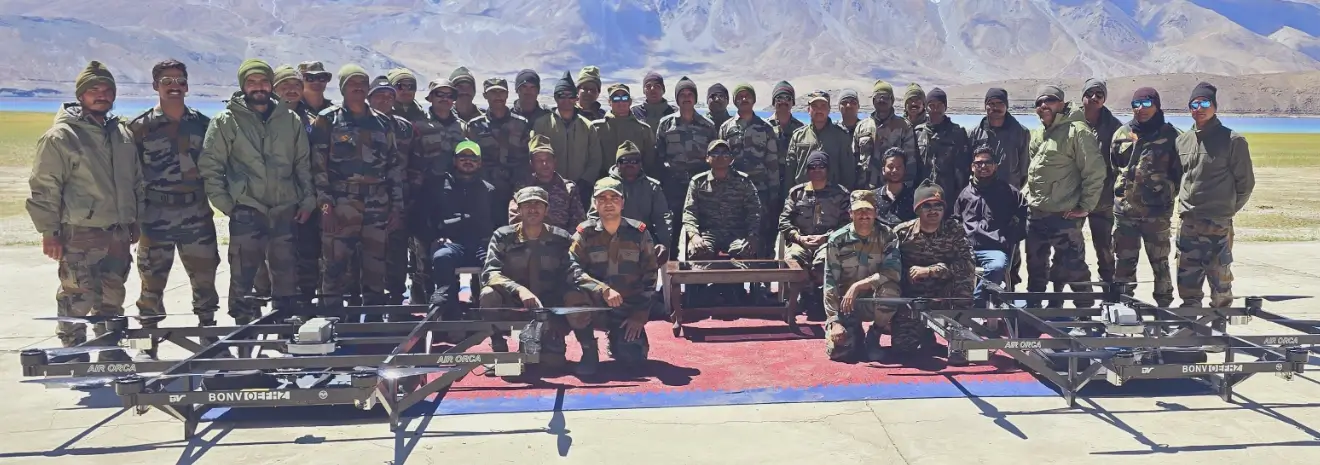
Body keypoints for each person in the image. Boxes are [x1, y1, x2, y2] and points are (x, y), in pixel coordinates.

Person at [27, 61, 143, 360]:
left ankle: (109, 350)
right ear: (81, 95)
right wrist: (49, 232)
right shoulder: (61, 136)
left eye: (107, 89)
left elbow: (136, 181)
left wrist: (134, 219)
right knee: (77, 295)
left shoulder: (122, 133)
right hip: (80, 233)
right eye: (94, 90)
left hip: (117, 232)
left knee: (112, 295)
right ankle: (73, 354)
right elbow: (44, 188)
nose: (101, 95)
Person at [199, 58, 314, 324]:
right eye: (251, 82)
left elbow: (302, 164)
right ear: (243, 86)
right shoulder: (226, 121)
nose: (258, 87)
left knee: (286, 275)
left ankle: (286, 331)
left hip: (284, 209)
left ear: (271, 85)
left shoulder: (289, 119)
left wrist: (307, 200)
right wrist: (228, 205)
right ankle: (243, 335)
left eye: (263, 81)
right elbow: (211, 166)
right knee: (243, 276)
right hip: (247, 211)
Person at [127, 59, 220, 331]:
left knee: (205, 277)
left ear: (187, 86)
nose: (174, 86)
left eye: (179, 80)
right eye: (167, 81)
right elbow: (130, 174)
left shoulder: (204, 125)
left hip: (197, 214)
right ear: (156, 86)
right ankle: (148, 338)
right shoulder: (140, 128)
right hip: (156, 217)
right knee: (151, 281)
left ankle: (209, 332)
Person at [311, 69, 406, 310]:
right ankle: (332, 321)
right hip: (341, 203)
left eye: (363, 83)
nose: (358, 87)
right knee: (335, 266)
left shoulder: (383, 122)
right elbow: (317, 166)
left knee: (375, 267)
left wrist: (396, 207)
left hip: (377, 204)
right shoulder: (328, 120)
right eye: (352, 83)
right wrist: (325, 205)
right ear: (342, 88)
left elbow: (394, 167)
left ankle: (372, 322)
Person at [480, 186, 595, 372]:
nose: (532, 209)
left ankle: (589, 352)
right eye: (527, 204)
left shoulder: (561, 238)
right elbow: (490, 273)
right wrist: (519, 289)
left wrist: (597, 288)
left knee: (552, 364)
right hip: (516, 305)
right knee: (488, 294)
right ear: (518, 209)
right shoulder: (503, 236)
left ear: (547, 209)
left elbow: (572, 272)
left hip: (549, 307)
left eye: (538, 204)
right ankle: (499, 350)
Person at [1024, 85, 1105, 309]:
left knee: (1073, 268)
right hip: (1037, 213)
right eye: (1039, 103)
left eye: (1049, 101)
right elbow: (1035, 170)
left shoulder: (1077, 131)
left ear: (1061, 103)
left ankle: (1086, 313)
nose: (1043, 106)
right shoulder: (1039, 133)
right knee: (1036, 267)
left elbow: (1095, 171)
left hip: (1064, 215)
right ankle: (1034, 312)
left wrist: (1086, 206)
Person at [1175, 82, 1254, 308]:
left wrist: (1225, 210)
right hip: (1188, 222)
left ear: (1215, 107)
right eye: (1194, 104)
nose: (1199, 108)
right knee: (1187, 282)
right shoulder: (1183, 140)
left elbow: (1245, 184)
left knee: (1220, 283)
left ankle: (1219, 336)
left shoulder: (1232, 141)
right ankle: (1190, 331)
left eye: (1205, 103)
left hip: (1217, 224)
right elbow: (1180, 177)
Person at [567, 180, 661, 372]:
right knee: (572, 294)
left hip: (627, 308)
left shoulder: (639, 233)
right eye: (602, 198)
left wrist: (640, 314)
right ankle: (589, 350)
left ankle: (617, 339)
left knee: (633, 361)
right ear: (594, 203)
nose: (608, 203)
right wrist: (602, 289)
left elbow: (650, 275)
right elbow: (571, 268)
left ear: (623, 202)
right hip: (594, 305)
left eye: (614, 198)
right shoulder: (585, 233)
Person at [1111, 87, 1182, 307]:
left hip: (1157, 215)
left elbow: (1179, 174)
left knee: (1160, 264)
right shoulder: (1121, 134)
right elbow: (1115, 167)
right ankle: (1123, 309)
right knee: (1123, 263)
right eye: (1136, 105)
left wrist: (1163, 194)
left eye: (1146, 104)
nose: (1140, 109)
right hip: (1125, 214)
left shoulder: (1172, 136)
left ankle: (1164, 308)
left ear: (1157, 106)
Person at [892, 181, 977, 358]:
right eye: (927, 206)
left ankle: (958, 338)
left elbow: (968, 264)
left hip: (945, 294)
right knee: (903, 351)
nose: (933, 211)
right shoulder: (902, 233)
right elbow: (889, 266)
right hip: (913, 297)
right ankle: (923, 332)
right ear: (917, 210)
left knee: (965, 284)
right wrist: (905, 273)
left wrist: (933, 270)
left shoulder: (954, 231)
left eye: (938, 206)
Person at [820, 190, 902, 362]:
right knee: (839, 352)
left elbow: (892, 272)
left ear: (875, 213)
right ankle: (854, 332)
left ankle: (874, 336)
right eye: (858, 211)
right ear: (850, 214)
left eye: (868, 210)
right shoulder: (837, 240)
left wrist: (857, 286)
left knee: (891, 291)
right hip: (846, 305)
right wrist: (834, 321)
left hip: (873, 300)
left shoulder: (888, 236)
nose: (864, 215)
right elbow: (830, 281)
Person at [407, 78, 469, 302]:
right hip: (424, 195)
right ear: (430, 98)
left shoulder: (462, 127)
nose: (444, 99)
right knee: (421, 252)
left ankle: (448, 302)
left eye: (449, 95)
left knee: (448, 250)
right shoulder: (418, 125)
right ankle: (421, 301)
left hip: (453, 196)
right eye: (439, 94)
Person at [424, 141, 496, 324]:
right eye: (463, 157)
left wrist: (492, 241)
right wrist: (434, 238)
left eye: (473, 158)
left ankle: (491, 318)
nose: (468, 161)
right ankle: (450, 316)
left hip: (481, 244)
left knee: (495, 263)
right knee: (442, 257)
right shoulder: (439, 188)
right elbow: (424, 218)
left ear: (479, 163)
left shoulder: (489, 190)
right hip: (452, 244)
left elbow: (500, 221)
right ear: (455, 160)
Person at [779, 151, 851, 321]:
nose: (817, 170)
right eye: (813, 167)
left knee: (824, 261)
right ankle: (800, 298)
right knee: (794, 260)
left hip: (828, 241)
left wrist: (826, 238)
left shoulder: (840, 193)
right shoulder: (797, 193)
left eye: (821, 166)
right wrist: (798, 238)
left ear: (828, 169)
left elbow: (847, 224)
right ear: (807, 170)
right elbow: (784, 221)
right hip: (801, 240)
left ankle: (819, 298)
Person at [952, 147, 1028, 307]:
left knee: (997, 266)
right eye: (978, 163)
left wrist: (1010, 238)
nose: (983, 166)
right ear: (972, 167)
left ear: (995, 166)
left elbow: (1024, 217)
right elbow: (955, 220)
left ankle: (976, 304)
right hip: (966, 249)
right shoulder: (964, 194)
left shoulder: (1008, 192)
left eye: (988, 162)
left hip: (994, 250)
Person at [369, 75, 418, 305]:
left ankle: (397, 298)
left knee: (397, 252)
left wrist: (409, 198)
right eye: (378, 96)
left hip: (401, 201)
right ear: (369, 98)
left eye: (389, 96)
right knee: (369, 255)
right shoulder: (361, 124)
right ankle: (371, 303)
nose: (384, 100)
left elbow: (416, 164)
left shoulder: (405, 128)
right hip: (367, 202)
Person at [655, 76, 717, 251]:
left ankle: (695, 275)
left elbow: (714, 158)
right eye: (682, 94)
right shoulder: (666, 123)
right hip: (673, 186)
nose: (687, 97)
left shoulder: (707, 126)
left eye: (690, 93)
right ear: (677, 98)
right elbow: (658, 156)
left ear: (696, 98)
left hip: (700, 187)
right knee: (671, 233)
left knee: (698, 234)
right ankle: (671, 273)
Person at [719, 83, 779, 258]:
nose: (744, 99)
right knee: (735, 237)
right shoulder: (726, 128)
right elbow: (719, 161)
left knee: (760, 236)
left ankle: (760, 281)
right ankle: (734, 282)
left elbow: (772, 162)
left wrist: (773, 194)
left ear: (753, 99)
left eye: (747, 96)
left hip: (759, 191)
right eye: (740, 96)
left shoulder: (765, 128)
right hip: (733, 192)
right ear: (735, 101)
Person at [530, 71, 603, 208]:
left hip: (581, 189)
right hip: (549, 187)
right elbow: (535, 155)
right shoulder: (542, 124)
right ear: (555, 98)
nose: (566, 100)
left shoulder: (587, 126)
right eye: (561, 95)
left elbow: (595, 159)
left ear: (576, 98)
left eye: (571, 96)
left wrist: (585, 182)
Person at [682, 140, 762, 261]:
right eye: (714, 154)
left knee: (745, 251)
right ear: (707, 158)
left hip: (737, 233)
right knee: (698, 251)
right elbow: (689, 212)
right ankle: (701, 280)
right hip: (708, 233)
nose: (719, 157)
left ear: (731, 159)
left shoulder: (743, 181)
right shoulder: (698, 182)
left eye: (725, 154)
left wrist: (752, 236)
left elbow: (754, 211)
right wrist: (694, 236)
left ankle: (735, 280)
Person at [588, 141, 673, 253]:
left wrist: (663, 244)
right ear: (617, 164)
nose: (629, 164)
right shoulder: (604, 186)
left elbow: (662, 218)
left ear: (641, 164)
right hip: (610, 241)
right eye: (624, 161)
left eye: (634, 161)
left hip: (644, 241)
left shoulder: (652, 187)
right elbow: (593, 217)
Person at [465, 77, 531, 214]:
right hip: (484, 190)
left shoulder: (521, 124)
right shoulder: (474, 126)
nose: (498, 96)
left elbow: (526, 161)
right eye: (493, 92)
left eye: (501, 92)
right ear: (485, 96)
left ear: (507, 94)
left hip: (515, 191)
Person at [1081, 78, 1123, 284]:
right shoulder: (1072, 122)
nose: (1094, 98)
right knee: (1068, 250)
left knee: (1105, 250)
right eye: (1090, 94)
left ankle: (1110, 295)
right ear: (1083, 97)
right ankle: (1063, 300)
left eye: (1100, 95)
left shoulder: (1116, 127)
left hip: (1103, 200)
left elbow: (1123, 164)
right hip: (1073, 198)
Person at [508, 135, 586, 231]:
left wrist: (565, 241)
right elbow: (515, 220)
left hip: (563, 241)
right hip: (530, 241)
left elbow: (578, 222)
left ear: (555, 161)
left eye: (548, 159)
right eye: (539, 160)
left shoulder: (569, 188)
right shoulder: (522, 188)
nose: (544, 164)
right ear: (531, 163)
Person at [784, 91, 855, 195]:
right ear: (808, 110)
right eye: (815, 106)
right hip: (803, 196)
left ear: (829, 109)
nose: (819, 110)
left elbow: (848, 171)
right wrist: (788, 196)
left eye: (823, 106)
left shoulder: (841, 136)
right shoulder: (798, 136)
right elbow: (790, 170)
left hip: (833, 197)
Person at [854, 80, 917, 189]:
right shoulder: (862, 127)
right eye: (879, 97)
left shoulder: (904, 127)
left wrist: (906, 191)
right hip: (865, 189)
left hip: (893, 190)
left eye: (886, 97)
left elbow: (910, 163)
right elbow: (853, 160)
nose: (882, 100)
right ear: (873, 100)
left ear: (892, 100)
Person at [914, 87, 971, 200]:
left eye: (939, 105)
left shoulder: (957, 133)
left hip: (950, 195)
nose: (935, 109)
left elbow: (964, 167)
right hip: (923, 194)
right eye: (932, 105)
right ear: (926, 107)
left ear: (945, 107)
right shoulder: (918, 133)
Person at [592, 84, 658, 178]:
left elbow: (650, 162)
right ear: (609, 102)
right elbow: (591, 160)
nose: (620, 102)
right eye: (616, 98)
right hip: (604, 184)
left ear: (630, 102)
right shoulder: (597, 128)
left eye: (624, 98)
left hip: (636, 182)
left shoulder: (644, 129)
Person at [871, 148, 917, 228]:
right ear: (883, 170)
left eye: (899, 167)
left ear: (905, 169)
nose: (895, 170)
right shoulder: (872, 197)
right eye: (890, 166)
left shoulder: (914, 197)